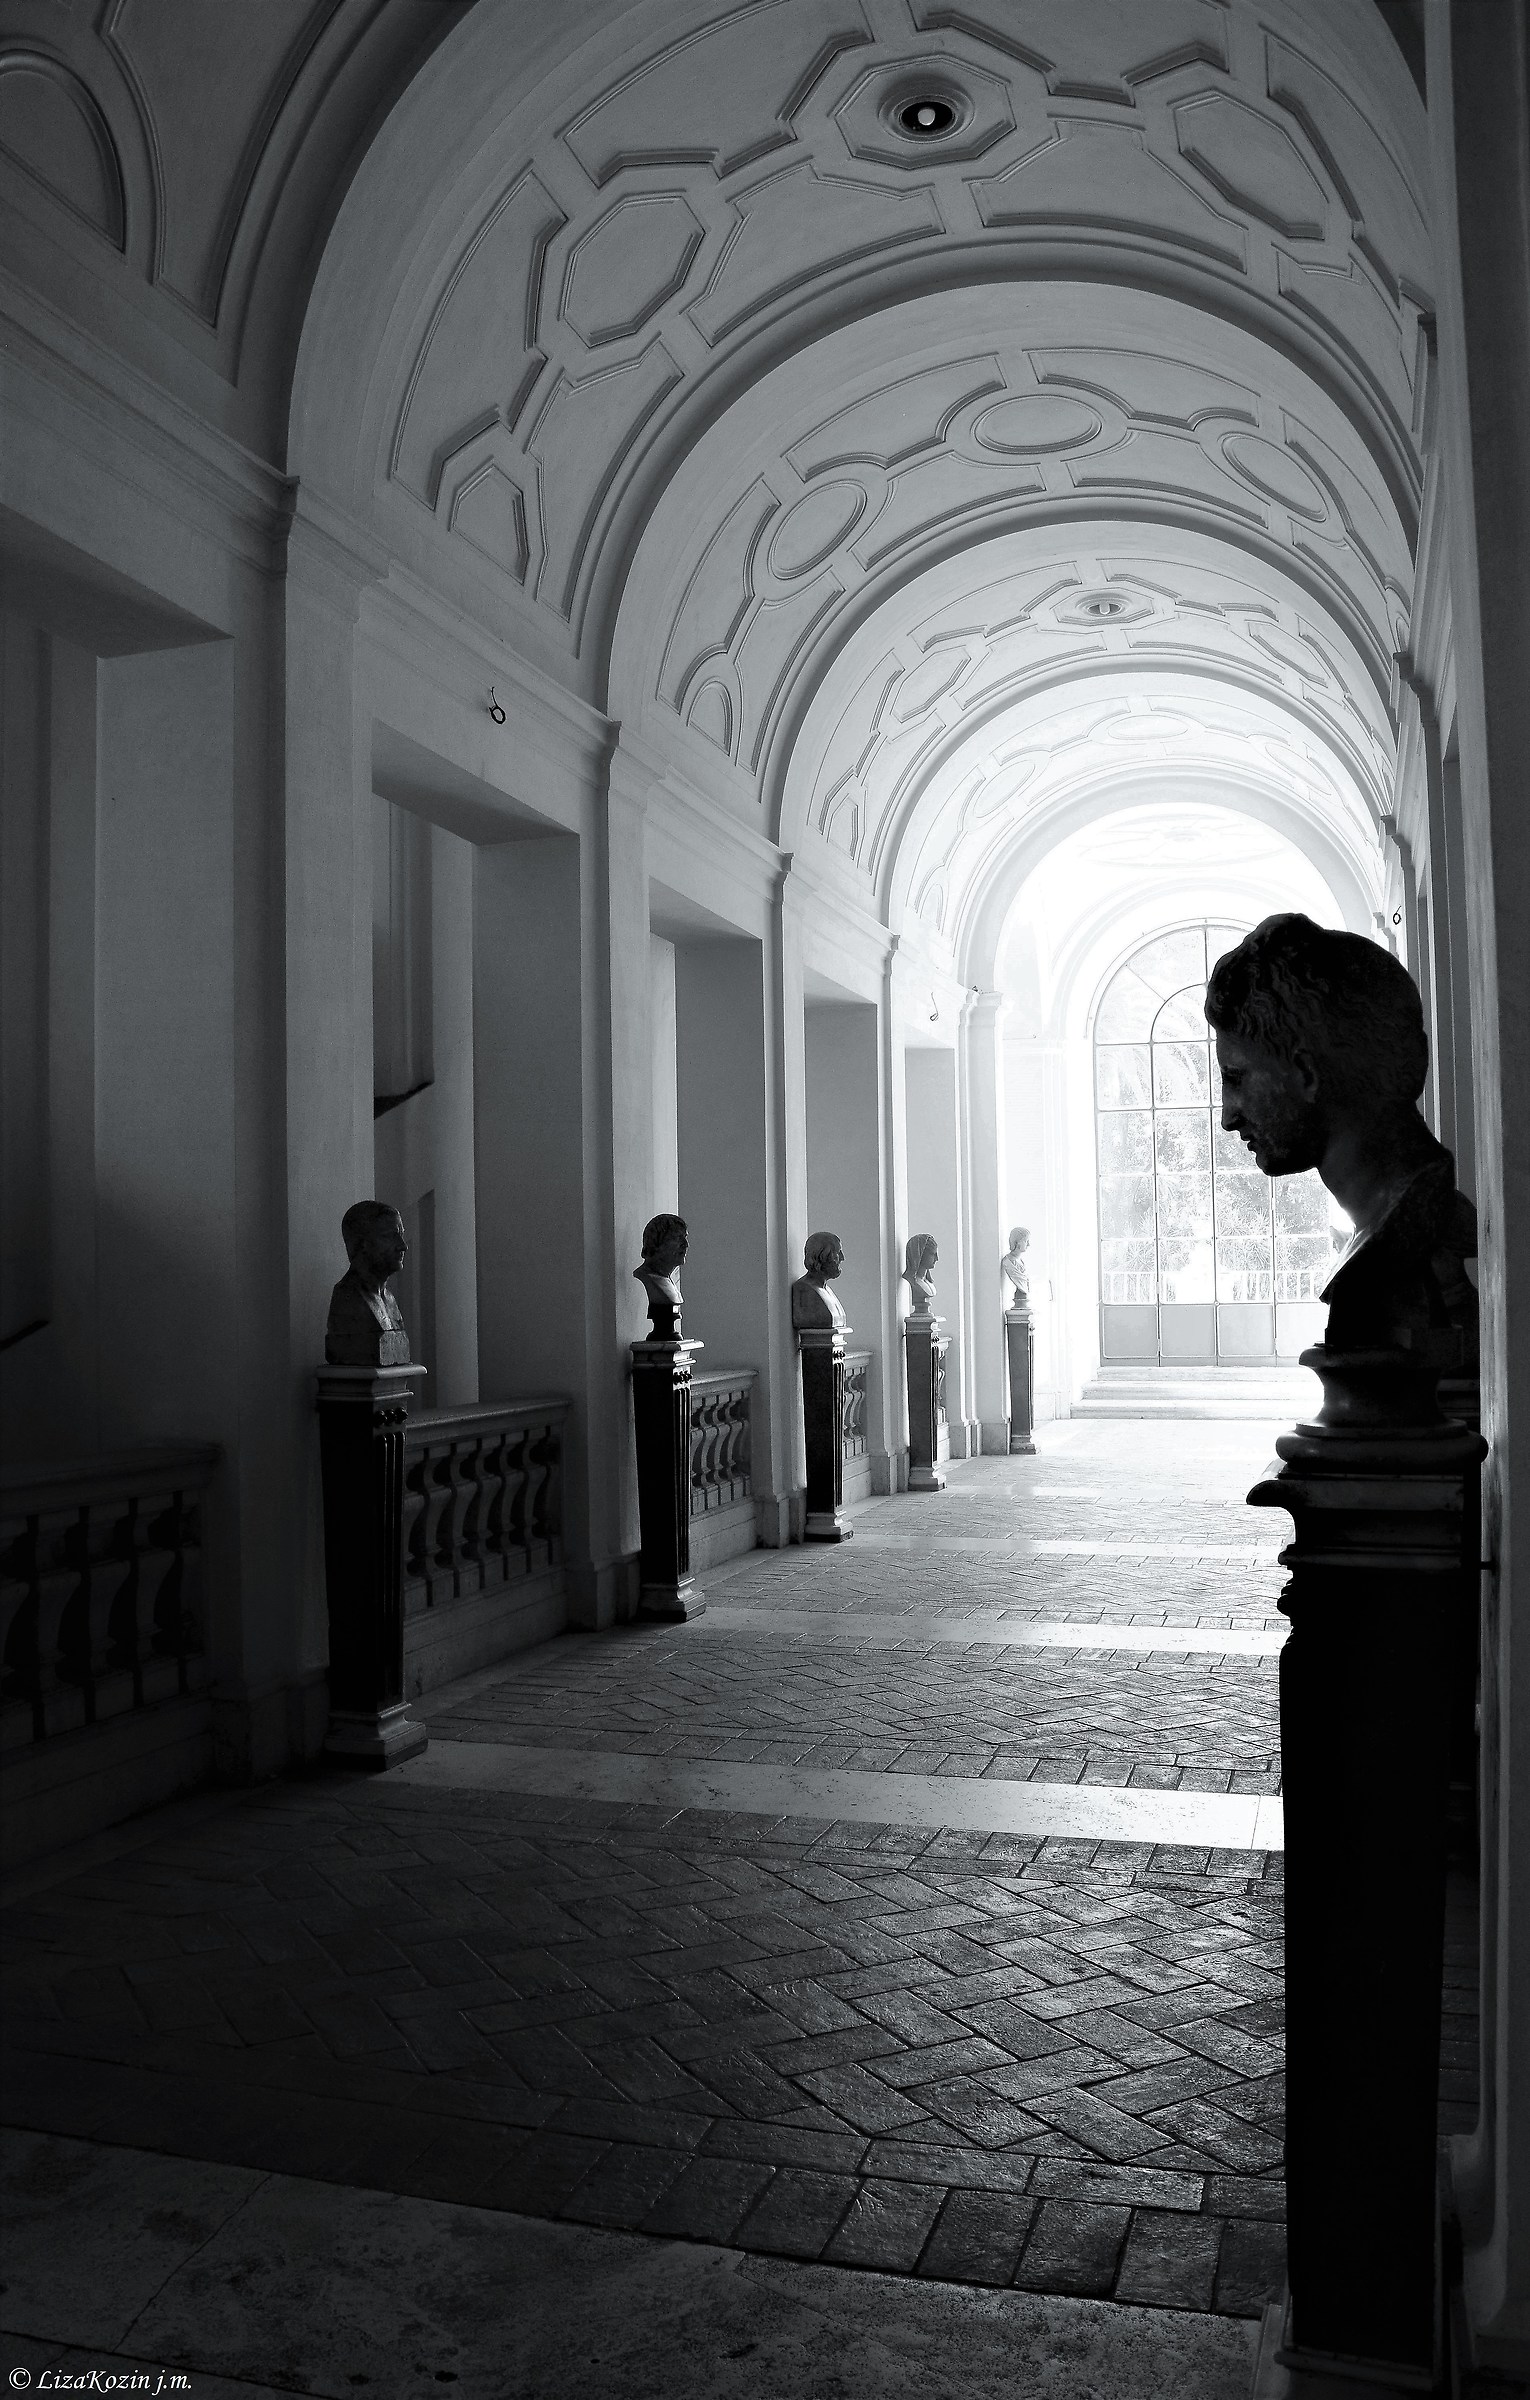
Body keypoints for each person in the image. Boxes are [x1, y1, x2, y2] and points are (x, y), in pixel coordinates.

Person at [1205, 914, 1476, 1367]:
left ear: (1307, 1074)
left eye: (1235, 1077)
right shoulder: (1397, 1224)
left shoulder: (1415, 1246)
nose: (1228, 1118)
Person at [325, 1200, 411, 1366]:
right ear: (363, 1243)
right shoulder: (347, 1297)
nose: (403, 1246)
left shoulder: (390, 1300)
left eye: (401, 1234)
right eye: (389, 1236)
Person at [634, 1212, 688, 1338]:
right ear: (658, 1243)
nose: (686, 1244)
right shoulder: (648, 1277)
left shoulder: (669, 1283)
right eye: (677, 1238)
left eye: (685, 1237)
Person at [792, 1231, 848, 1332]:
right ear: (822, 1256)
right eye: (837, 1253)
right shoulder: (804, 1289)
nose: (842, 1258)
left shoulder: (827, 1290)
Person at [903, 1232, 938, 1316]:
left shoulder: (928, 1283)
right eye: (932, 1254)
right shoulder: (915, 1283)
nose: (937, 1259)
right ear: (920, 1254)